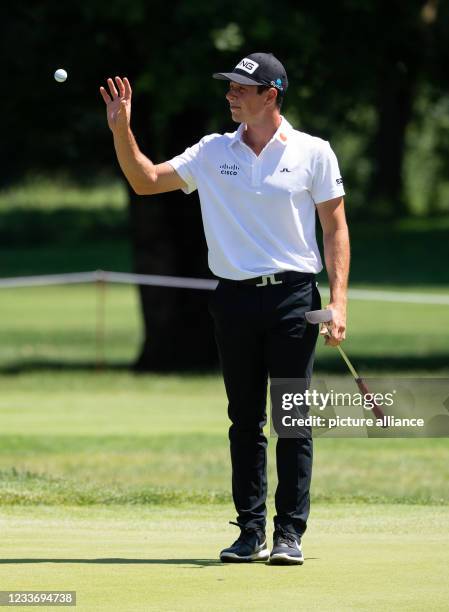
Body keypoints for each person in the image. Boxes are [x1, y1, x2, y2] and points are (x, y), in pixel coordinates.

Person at [100, 52, 349, 566]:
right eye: (230, 86)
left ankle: (290, 534)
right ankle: (250, 530)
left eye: (242, 87)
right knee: (244, 420)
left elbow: (335, 228)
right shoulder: (212, 151)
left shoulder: (313, 152)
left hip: (294, 298)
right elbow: (145, 180)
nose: (231, 93)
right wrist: (123, 130)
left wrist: (340, 301)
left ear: (271, 95)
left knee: (291, 419)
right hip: (233, 298)